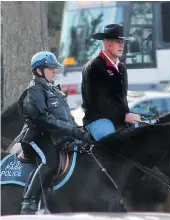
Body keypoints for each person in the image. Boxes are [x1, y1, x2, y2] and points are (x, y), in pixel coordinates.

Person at [18, 51, 91, 214]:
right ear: (38, 70)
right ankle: (28, 201)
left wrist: (78, 130)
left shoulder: (54, 90)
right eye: (50, 68)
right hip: (37, 137)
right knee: (50, 161)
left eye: (54, 68)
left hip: (55, 136)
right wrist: (70, 130)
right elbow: (42, 119)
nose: (54, 71)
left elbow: (65, 117)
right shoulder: (34, 90)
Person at [81, 24, 141, 141]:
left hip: (119, 119)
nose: (121, 45)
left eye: (122, 42)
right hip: (98, 119)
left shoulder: (122, 68)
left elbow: (122, 100)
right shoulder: (94, 67)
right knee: (114, 145)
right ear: (106, 43)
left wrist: (129, 115)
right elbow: (98, 102)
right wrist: (124, 116)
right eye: (118, 42)